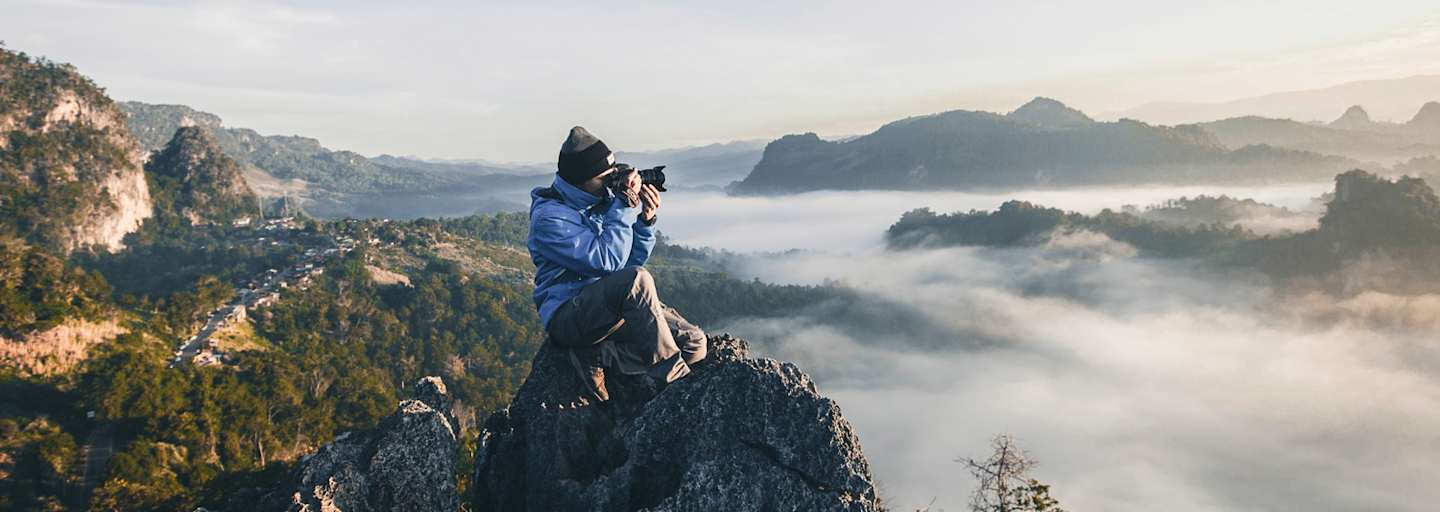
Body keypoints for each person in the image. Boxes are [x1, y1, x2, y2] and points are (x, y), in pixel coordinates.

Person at [527, 126, 707, 402]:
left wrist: (645, 222)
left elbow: (627, 265)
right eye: (605, 178)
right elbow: (608, 263)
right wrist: (622, 205)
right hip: (569, 316)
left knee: (694, 344)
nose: (612, 183)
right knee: (637, 279)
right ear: (580, 179)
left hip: (608, 310)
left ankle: (601, 356)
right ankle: (674, 384)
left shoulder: (600, 201)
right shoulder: (550, 219)